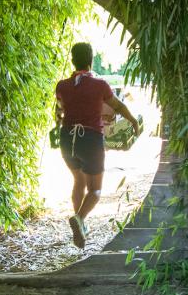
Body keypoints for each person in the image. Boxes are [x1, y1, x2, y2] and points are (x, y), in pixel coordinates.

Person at [55, 43, 139, 248]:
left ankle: (80, 225)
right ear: (91, 60)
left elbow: (61, 111)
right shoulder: (100, 85)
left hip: (67, 140)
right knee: (95, 191)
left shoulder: (61, 86)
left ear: (73, 60)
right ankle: (80, 219)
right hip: (90, 140)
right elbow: (118, 105)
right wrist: (133, 121)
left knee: (78, 181)